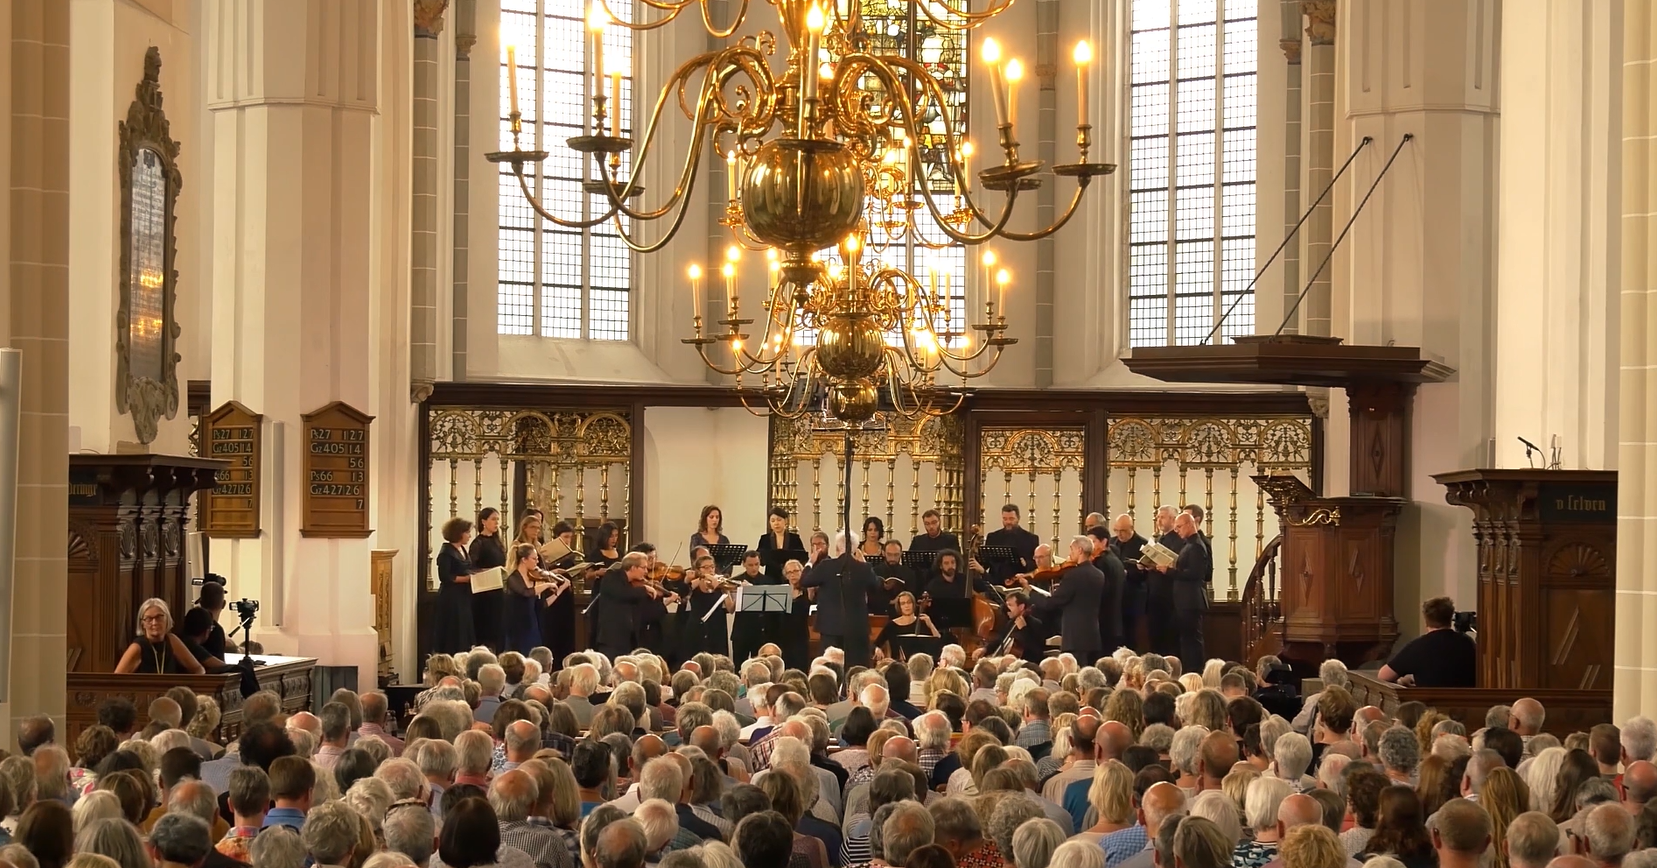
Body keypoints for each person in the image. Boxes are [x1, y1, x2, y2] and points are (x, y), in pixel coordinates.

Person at [801, 531, 885, 667]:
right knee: (856, 667)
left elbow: (804, 581)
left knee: (830, 667)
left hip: (830, 627)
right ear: (855, 548)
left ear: (837, 547)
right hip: (856, 628)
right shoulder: (863, 568)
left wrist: (810, 562)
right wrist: (864, 563)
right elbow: (876, 586)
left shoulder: (826, 566)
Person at [1032, 537, 1106, 662]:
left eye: (1072, 549)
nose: (1069, 553)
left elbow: (1051, 603)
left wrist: (1031, 594)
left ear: (1080, 550)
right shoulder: (1099, 574)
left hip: (1074, 637)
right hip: (1093, 635)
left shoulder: (1073, 575)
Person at [1377, 597, 1477, 688]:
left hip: (1429, 705)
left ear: (1426, 620)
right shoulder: (1467, 642)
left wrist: (1400, 681)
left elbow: (1383, 675)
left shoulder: (1418, 646)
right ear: (1450, 618)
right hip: (1467, 704)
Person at [1154, 512, 1210, 665]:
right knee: (1186, 640)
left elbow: (1195, 573)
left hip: (1191, 600)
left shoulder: (1196, 546)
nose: (1176, 530)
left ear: (1189, 525)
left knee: (1192, 641)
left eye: (1179, 527)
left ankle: (1194, 671)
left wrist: (1169, 571)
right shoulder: (1189, 545)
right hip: (1184, 600)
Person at [594, 553, 661, 659]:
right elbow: (622, 593)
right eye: (643, 568)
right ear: (633, 567)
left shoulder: (635, 584)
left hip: (630, 639)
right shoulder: (612, 576)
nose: (646, 571)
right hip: (613, 639)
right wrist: (645, 589)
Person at [114, 599, 205, 675]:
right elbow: (117, 679)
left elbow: (198, 669)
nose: (154, 623)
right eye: (149, 619)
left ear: (167, 619)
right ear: (143, 624)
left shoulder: (172, 640)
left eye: (159, 617)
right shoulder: (137, 647)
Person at [432, 517, 477, 654]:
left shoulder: (462, 549)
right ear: (459, 533)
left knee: (464, 630)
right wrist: (467, 579)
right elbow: (446, 577)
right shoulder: (446, 553)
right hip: (451, 597)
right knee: (454, 631)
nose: (469, 536)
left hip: (463, 596)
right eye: (467, 532)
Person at [502, 542, 557, 654]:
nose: (537, 562)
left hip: (531, 623)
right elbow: (525, 593)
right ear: (524, 560)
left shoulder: (533, 578)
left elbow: (539, 603)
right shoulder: (513, 578)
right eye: (534, 559)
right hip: (517, 625)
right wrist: (546, 585)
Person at [470, 508, 509, 653]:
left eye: (498, 519)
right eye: (493, 519)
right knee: (486, 630)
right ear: (483, 521)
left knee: (498, 630)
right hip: (484, 593)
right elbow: (472, 568)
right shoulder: (478, 543)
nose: (496, 522)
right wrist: (491, 571)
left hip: (498, 590)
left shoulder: (497, 541)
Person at [683, 555, 736, 658]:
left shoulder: (721, 584)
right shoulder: (694, 583)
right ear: (698, 570)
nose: (710, 570)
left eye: (712, 567)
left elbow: (730, 609)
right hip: (697, 626)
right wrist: (704, 577)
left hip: (717, 627)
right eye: (705, 567)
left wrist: (740, 593)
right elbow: (686, 591)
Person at [978, 590, 1045, 665]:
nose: (1007, 609)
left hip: (1027, 665)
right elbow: (1001, 640)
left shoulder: (1035, 624)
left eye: (1010, 605)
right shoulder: (1011, 622)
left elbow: (1037, 652)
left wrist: (1024, 629)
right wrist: (985, 649)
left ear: (1021, 607)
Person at [978, 503, 1040, 584]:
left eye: (1011, 519)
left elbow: (1036, 563)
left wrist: (1026, 563)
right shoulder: (993, 537)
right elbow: (986, 562)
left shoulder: (1031, 538)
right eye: (1005, 519)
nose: (1008, 522)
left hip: (1019, 582)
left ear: (1018, 518)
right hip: (995, 582)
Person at [874, 591, 940, 661]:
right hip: (899, 665)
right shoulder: (892, 625)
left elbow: (938, 641)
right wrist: (877, 649)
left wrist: (930, 625)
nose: (906, 606)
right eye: (903, 603)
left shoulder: (923, 622)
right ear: (899, 606)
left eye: (909, 602)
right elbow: (875, 644)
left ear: (913, 604)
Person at [192, 581, 231, 659]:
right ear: (223, 604)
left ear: (201, 602)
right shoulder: (216, 630)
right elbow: (219, 665)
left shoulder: (189, 623)